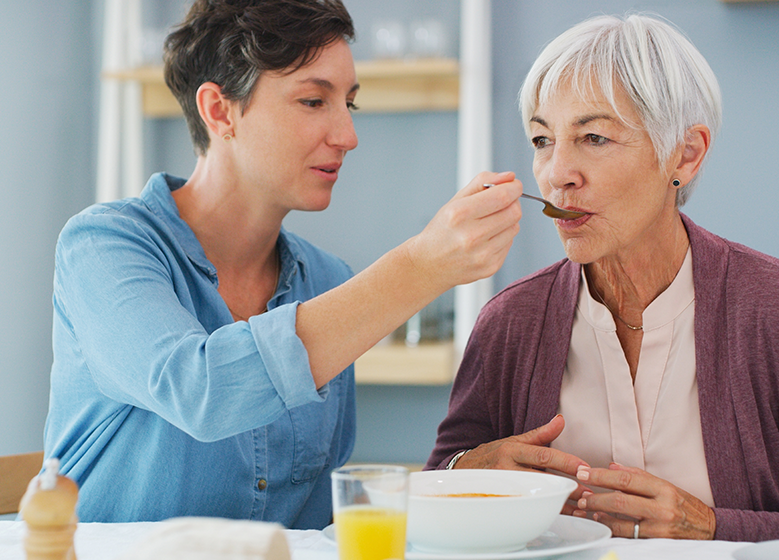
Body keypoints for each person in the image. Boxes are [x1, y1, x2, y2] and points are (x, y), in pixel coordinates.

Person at [44, 0, 522, 528]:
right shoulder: (104, 246)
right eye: (314, 100)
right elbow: (200, 391)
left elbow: (322, 523)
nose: (347, 135)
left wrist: (462, 476)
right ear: (220, 111)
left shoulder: (326, 283)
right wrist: (421, 267)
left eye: (349, 104)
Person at [426, 13, 779, 542]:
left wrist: (713, 527)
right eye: (541, 140)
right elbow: (434, 495)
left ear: (685, 155)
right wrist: (470, 474)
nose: (557, 173)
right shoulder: (511, 321)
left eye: (594, 137)